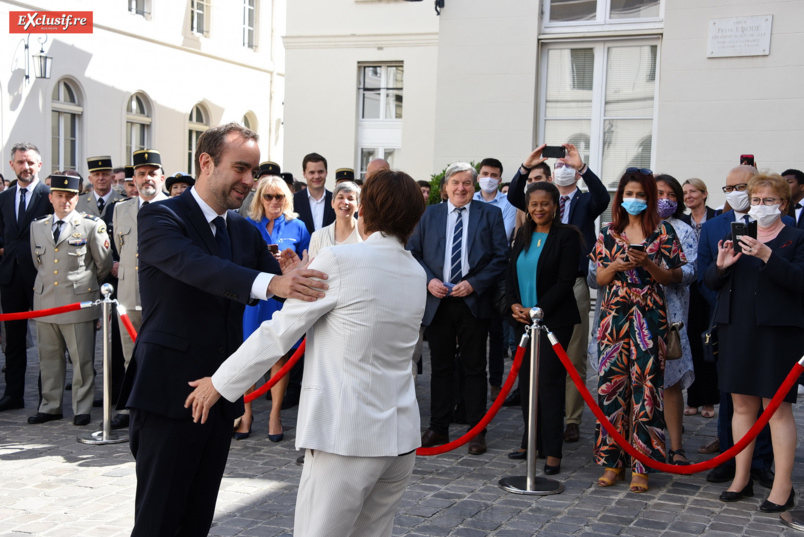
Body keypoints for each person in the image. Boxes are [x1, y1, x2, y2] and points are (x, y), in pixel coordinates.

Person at [185, 169, 427, 537]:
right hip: (399, 435)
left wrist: (219, 384)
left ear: (364, 210)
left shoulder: (341, 259)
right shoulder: (415, 270)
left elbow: (278, 333)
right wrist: (302, 277)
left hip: (346, 435)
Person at [117, 123, 329, 537]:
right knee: (159, 521)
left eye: (253, 171)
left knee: (197, 519)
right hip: (168, 393)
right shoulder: (161, 216)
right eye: (241, 169)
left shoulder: (242, 230)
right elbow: (197, 267)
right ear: (206, 162)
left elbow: (283, 285)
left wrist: (295, 275)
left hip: (220, 393)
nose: (249, 181)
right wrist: (272, 283)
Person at [707, 172, 802, 512]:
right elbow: (712, 280)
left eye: (769, 201)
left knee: (775, 409)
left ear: (784, 204)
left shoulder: (796, 237)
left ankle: (782, 486)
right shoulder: (739, 234)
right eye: (757, 201)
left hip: (777, 332)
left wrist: (767, 255)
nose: (761, 207)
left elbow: (799, 281)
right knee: (742, 406)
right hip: (737, 327)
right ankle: (741, 478)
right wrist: (721, 266)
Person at [592, 168, 686, 493]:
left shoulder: (664, 233)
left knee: (647, 390)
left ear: (651, 198)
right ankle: (611, 462)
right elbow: (599, 280)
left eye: (640, 194)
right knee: (611, 387)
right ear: (621, 197)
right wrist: (616, 266)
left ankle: (641, 465)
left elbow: (673, 277)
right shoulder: (608, 232)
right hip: (614, 316)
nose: (634, 200)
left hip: (650, 314)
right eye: (628, 194)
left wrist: (647, 263)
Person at [508, 143, 609, 444]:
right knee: (536, 366)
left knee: (570, 357)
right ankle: (538, 431)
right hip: (535, 287)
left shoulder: (584, 201)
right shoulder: (541, 201)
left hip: (571, 285)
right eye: (560, 167)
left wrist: (583, 167)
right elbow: (516, 196)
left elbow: (603, 198)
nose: (564, 170)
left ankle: (572, 417)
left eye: (569, 167)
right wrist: (526, 167)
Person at [409, 162, 508, 455]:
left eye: (467, 183)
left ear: (474, 187)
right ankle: (438, 427)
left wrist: (475, 283)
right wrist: (429, 281)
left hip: (472, 301)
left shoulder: (490, 213)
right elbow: (413, 254)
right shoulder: (428, 215)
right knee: (440, 367)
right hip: (438, 301)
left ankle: (477, 430)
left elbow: (501, 257)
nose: (461, 188)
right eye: (455, 182)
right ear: (445, 187)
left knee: (475, 367)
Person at [697, 165, 784, 487]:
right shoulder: (714, 226)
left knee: (767, 398)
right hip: (728, 319)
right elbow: (705, 274)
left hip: (769, 325)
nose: (737, 193)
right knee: (733, 398)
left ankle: (761, 463)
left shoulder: (786, 228)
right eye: (729, 187)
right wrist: (723, 300)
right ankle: (730, 459)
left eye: (742, 186)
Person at [505, 182, 581, 474]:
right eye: (533, 204)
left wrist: (537, 310)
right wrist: (513, 305)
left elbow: (565, 282)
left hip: (552, 322)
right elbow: (510, 273)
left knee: (548, 384)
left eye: (545, 204)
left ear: (555, 206)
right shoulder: (522, 234)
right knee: (526, 382)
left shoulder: (567, 237)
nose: (539, 209)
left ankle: (552, 451)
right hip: (522, 321)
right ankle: (530, 440)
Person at [27, 174, 112, 426]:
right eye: (60, 196)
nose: (65, 201)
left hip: (77, 302)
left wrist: (83, 286)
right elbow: (38, 262)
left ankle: (81, 407)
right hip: (46, 302)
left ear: (77, 198)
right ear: (51, 197)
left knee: (82, 359)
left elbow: (103, 264)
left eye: (70, 196)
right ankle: (50, 405)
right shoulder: (38, 226)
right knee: (49, 358)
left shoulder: (90, 225)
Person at [236, 174, 310, 441]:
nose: (275, 201)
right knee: (248, 356)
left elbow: (307, 261)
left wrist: (291, 263)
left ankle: (274, 415)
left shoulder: (298, 226)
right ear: (260, 198)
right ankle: (245, 413)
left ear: (287, 198)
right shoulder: (245, 225)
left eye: (280, 196)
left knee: (279, 356)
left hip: (281, 302)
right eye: (269, 196)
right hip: (253, 299)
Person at [108, 149, 170, 430]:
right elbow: (122, 250)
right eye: (141, 174)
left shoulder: (176, 207)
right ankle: (133, 406)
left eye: (152, 173)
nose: (147, 179)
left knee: (163, 354)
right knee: (129, 354)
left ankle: (160, 405)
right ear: (133, 178)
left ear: (162, 177)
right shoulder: (121, 209)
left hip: (164, 296)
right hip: (130, 293)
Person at [0, 143, 52, 412]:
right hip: (10, 278)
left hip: (42, 276)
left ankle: (48, 397)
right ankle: (13, 394)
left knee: (47, 339)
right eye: (21, 162)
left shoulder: (50, 196)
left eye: (31, 162)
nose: (26, 167)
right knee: (14, 341)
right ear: (12, 165)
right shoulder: (5, 198)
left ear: (39, 165)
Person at [654, 174, 697, 465]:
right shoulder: (629, 226)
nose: (665, 199)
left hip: (671, 313)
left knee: (670, 383)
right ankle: (635, 442)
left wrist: (666, 272)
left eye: (671, 195)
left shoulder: (683, 229)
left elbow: (692, 271)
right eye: (659, 193)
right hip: (633, 311)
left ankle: (676, 446)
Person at [679, 177, 719, 419]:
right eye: (685, 192)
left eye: (693, 191)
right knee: (692, 342)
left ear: (704, 194)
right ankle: (693, 399)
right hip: (688, 289)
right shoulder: (681, 222)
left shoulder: (717, 217)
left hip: (712, 286)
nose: (688, 196)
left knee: (710, 342)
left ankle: (709, 401)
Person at [308, 181, 362, 257]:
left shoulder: (366, 235)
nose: (345, 202)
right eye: (340, 197)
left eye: (350, 199)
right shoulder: (317, 237)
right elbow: (311, 267)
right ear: (332, 203)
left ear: (358, 206)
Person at [294, 152, 335, 235]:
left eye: (320, 172)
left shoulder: (335, 200)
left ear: (326, 172)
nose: (316, 176)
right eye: (312, 172)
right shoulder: (293, 201)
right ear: (304, 174)